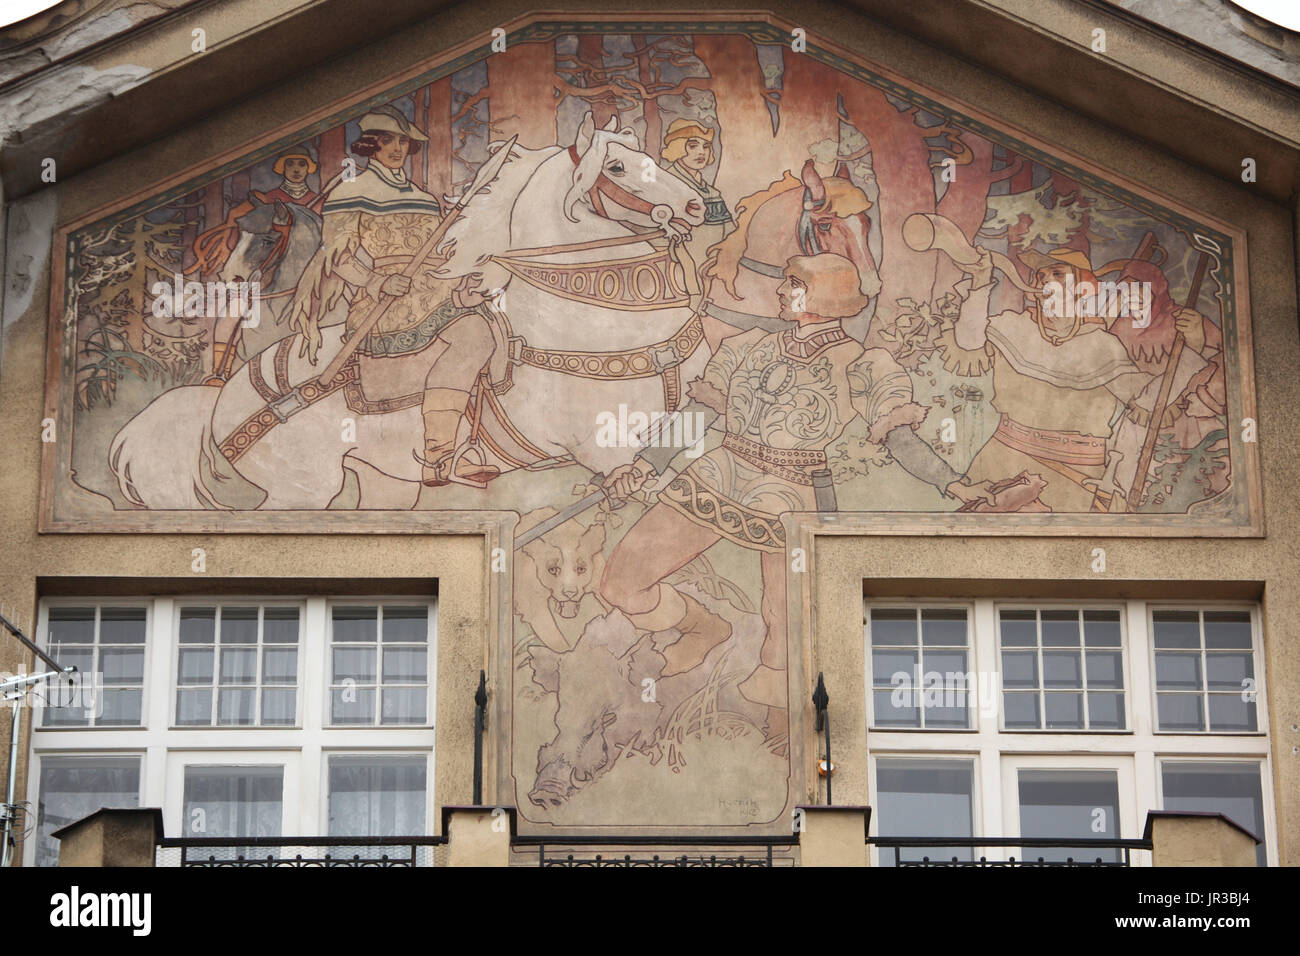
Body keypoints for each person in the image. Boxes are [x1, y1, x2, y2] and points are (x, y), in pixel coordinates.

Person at [599, 253, 989, 739]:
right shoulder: (746, 346)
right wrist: (644, 465)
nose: (781, 292)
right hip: (720, 471)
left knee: (786, 633)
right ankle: (703, 627)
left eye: (793, 284)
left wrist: (951, 482)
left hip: (793, 494)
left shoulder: (863, 364)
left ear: (823, 299)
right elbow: (698, 415)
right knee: (621, 580)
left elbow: (899, 437)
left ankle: (783, 744)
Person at [660, 119, 734, 283]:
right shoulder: (667, 184)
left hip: (717, 265)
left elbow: (729, 229)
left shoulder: (710, 190)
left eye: (706, 147)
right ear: (677, 147)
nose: (701, 152)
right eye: (693, 146)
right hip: (685, 271)